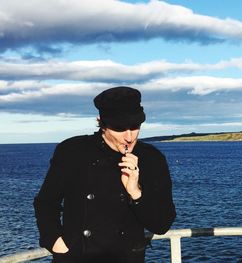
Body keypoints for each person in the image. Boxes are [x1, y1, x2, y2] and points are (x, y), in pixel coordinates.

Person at [34, 86, 176, 263]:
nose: (129, 137)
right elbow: (46, 202)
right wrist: (56, 242)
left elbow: (162, 224)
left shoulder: (151, 159)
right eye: (119, 128)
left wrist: (136, 192)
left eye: (135, 126)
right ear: (101, 122)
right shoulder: (72, 151)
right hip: (77, 257)